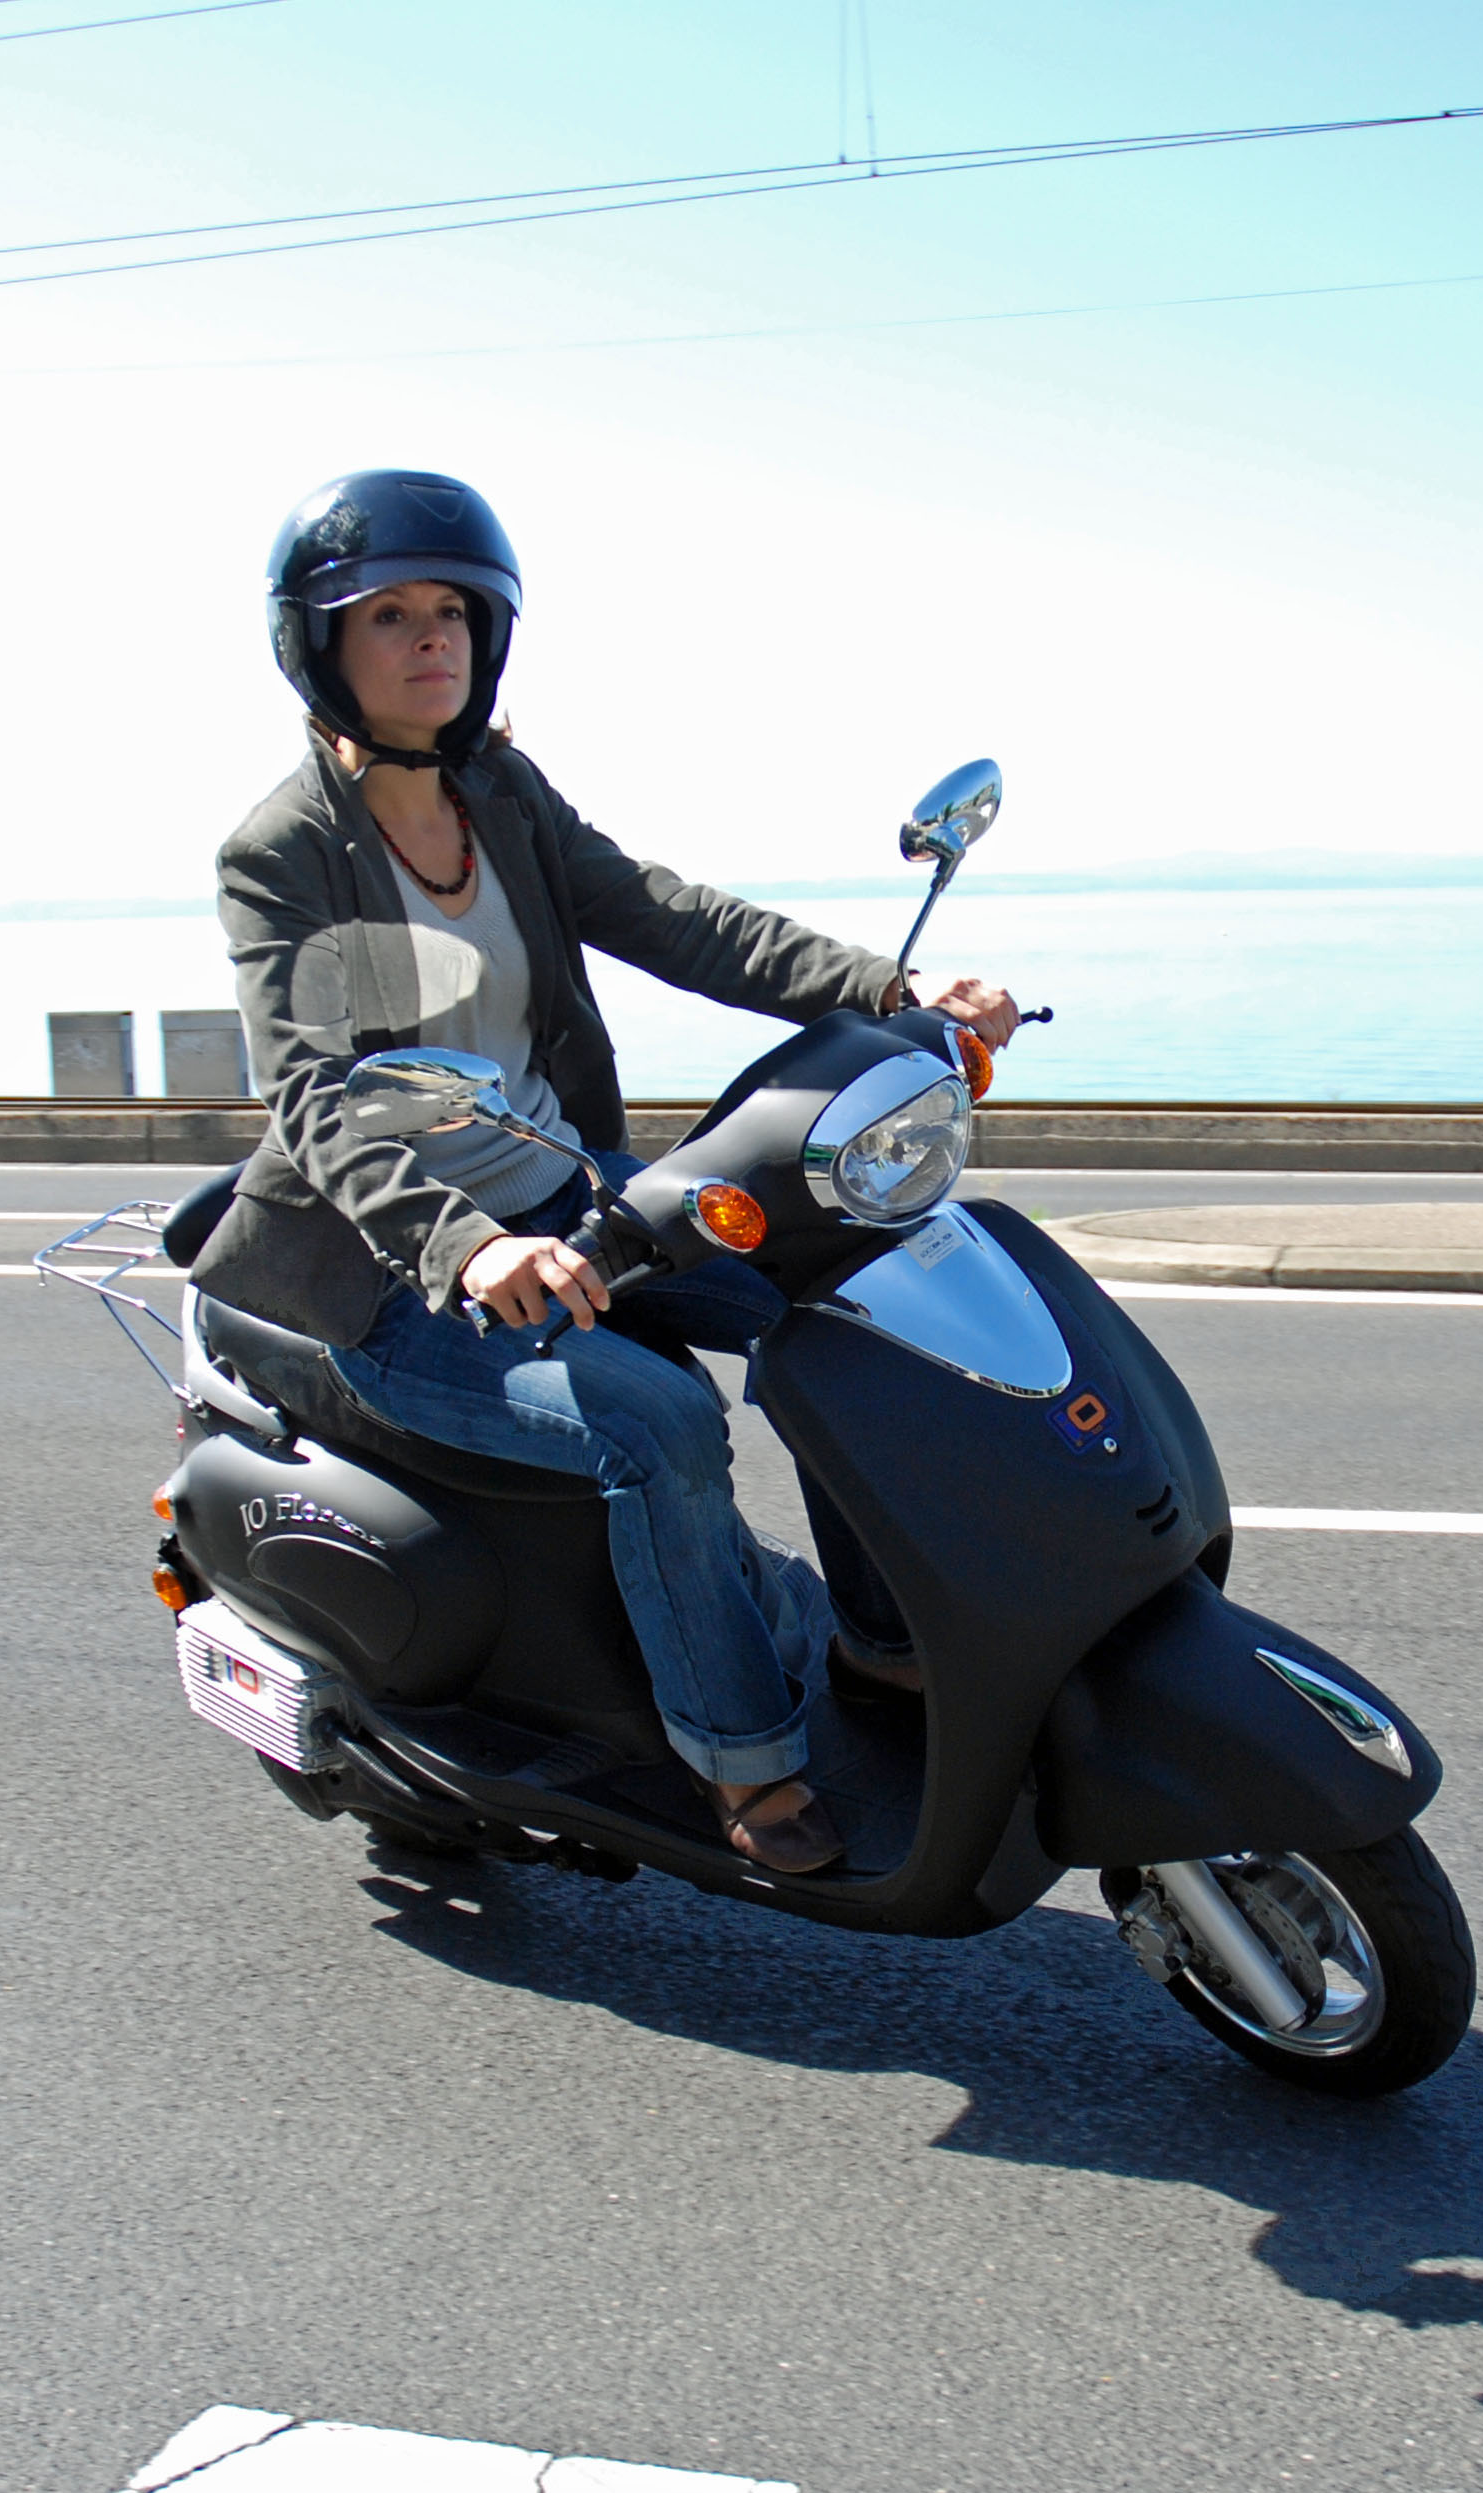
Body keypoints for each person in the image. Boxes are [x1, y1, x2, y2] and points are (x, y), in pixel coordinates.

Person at [188, 469, 1020, 1875]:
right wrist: (466, 1246)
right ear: (320, 645)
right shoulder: (285, 853)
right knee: (657, 1424)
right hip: (393, 1270)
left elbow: (667, 916)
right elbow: (317, 1091)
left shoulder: (498, 793)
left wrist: (894, 988)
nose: (431, 636)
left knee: (850, 1296)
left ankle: (880, 1637)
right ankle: (745, 1768)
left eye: (453, 610)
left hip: (566, 1192)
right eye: (388, 614)